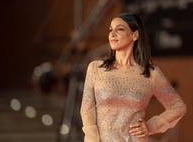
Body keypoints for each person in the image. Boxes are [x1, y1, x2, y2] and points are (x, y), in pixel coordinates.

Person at [80, 13, 186, 142]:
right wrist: (92, 139)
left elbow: (178, 106)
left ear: (135, 35)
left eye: (119, 29)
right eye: (110, 30)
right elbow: (86, 108)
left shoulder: (151, 74)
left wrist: (152, 126)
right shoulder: (96, 68)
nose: (112, 34)